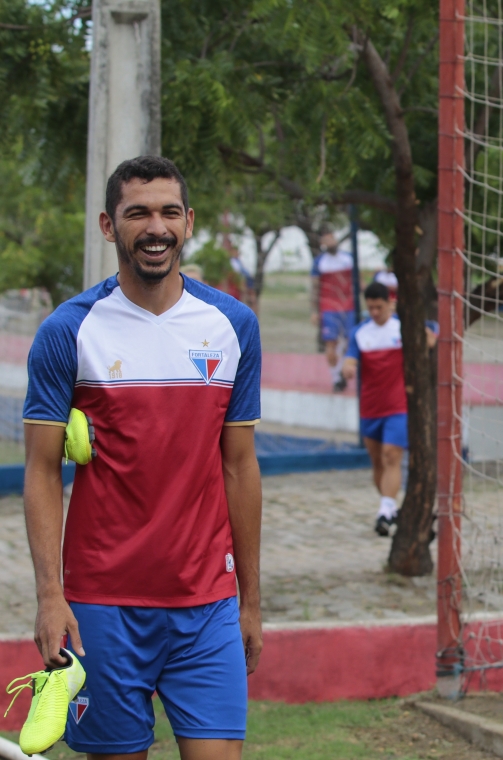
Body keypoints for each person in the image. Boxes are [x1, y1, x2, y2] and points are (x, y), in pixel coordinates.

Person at [20, 155, 263, 759]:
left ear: (188, 222)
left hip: (207, 603)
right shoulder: (68, 331)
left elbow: (239, 467)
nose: (156, 227)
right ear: (109, 226)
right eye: (138, 213)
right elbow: (42, 469)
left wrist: (250, 602)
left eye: (169, 212)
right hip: (103, 607)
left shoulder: (232, 325)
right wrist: (52, 595)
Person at [340, 281, 437, 536]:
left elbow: (430, 339)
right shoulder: (361, 333)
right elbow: (349, 359)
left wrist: (429, 335)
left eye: (378, 307)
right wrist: (348, 368)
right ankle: (389, 507)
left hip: (398, 406)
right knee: (378, 464)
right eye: (370, 307)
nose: (374, 312)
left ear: (389, 304)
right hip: (371, 408)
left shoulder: (402, 328)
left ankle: (384, 511)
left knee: (391, 455)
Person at [310, 228, 356, 391]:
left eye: (332, 238)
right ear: (322, 243)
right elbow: (315, 288)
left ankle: (343, 372)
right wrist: (314, 311)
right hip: (329, 307)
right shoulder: (319, 262)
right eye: (326, 239)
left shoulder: (348, 258)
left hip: (349, 306)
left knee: (349, 341)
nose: (331, 241)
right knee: (331, 345)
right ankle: (336, 377)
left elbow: (359, 282)